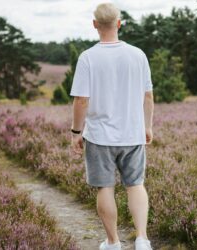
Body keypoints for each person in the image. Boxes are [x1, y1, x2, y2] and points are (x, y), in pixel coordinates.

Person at [69, 3, 154, 250]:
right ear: (119, 23)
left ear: (95, 25)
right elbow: (148, 96)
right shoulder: (138, 55)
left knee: (105, 188)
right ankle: (142, 240)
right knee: (135, 185)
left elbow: (81, 100)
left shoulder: (87, 58)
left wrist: (76, 132)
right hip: (132, 134)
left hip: (99, 137)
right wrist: (147, 126)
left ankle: (113, 243)